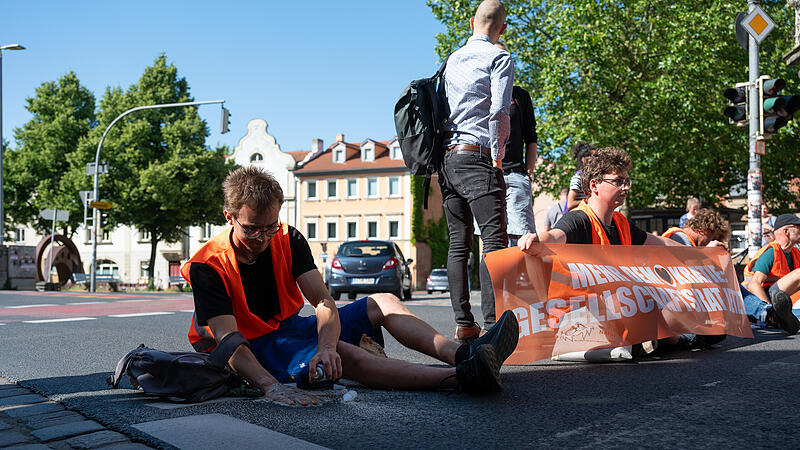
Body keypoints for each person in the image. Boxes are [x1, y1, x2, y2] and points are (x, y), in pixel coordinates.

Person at [181, 167, 521, 406]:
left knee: (382, 301)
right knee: (344, 356)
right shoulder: (207, 265)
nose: (262, 238)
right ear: (229, 217)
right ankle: (463, 376)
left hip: (288, 328)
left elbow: (323, 301)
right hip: (251, 348)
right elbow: (229, 341)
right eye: (252, 229)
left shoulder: (287, 238)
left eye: (270, 227)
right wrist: (270, 386)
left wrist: (325, 346)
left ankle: (464, 353)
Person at [439, 0, 513, 343]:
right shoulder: (499, 57)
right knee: (494, 242)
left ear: (471, 22)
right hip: (478, 156)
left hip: (447, 159)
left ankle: (463, 323)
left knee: (458, 243)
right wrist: (498, 156)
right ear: (503, 28)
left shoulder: (451, 59)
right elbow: (499, 111)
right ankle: (493, 325)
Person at [519, 146, 677, 248]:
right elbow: (554, 236)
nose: (626, 187)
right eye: (618, 181)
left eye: (627, 181)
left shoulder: (622, 224)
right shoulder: (578, 220)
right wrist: (536, 239)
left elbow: (661, 243)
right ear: (594, 185)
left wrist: (691, 249)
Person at [661, 209, 731, 348]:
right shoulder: (679, 237)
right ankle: (678, 339)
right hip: (666, 301)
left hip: (674, 302)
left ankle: (677, 339)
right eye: (712, 238)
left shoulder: (688, 242)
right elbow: (685, 267)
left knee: (717, 333)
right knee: (712, 334)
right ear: (705, 230)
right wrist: (706, 252)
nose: (711, 242)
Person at [495, 41, 537, 247]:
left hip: (515, 174)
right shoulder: (480, 94)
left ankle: (520, 272)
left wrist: (528, 172)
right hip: (487, 176)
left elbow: (531, 137)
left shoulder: (520, 96)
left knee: (522, 238)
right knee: (491, 239)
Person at [741, 213, 800, 335]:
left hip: (782, 297)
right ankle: (776, 317)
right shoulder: (771, 251)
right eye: (798, 227)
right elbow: (754, 284)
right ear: (786, 231)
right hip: (766, 296)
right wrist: (769, 310)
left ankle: (788, 317)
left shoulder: (795, 252)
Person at [564, 142, 597, 211]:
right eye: (593, 157)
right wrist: (590, 200)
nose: (596, 160)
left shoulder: (593, 177)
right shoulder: (578, 177)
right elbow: (570, 204)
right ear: (583, 159)